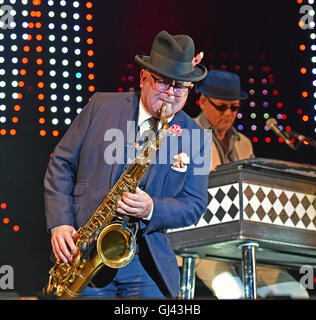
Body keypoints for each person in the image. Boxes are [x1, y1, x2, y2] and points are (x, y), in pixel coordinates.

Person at [43, 30, 211, 299]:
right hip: (84, 256)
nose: (171, 94)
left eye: (181, 86)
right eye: (164, 83)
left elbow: (194, 204)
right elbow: (61, 163)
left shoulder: (197, 137)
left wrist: (151, 208)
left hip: (146, 265)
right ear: (144, 77)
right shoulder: (101, 105)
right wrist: (60, 223)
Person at [192, 69, 309, 299]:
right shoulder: (188, 135)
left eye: (234, 107)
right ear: (203, 101)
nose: (229, 113)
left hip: (243, 243)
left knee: (297, 293)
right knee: (234, 293)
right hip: (203, 245)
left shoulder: (244, 143)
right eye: (221, 106)